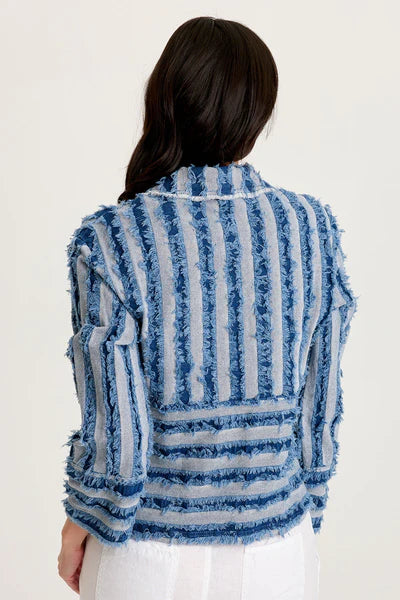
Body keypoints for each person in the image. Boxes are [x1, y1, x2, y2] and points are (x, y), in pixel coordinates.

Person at [57, 15, 358, 600]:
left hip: (146, 555)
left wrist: (80, 525)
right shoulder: (313, 229)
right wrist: (305, 510)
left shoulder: (112, 239)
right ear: (257, 114)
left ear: (164, 99)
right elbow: (319, 408)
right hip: (279, 551)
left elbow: (118, 436)